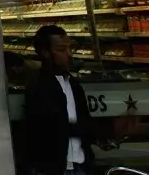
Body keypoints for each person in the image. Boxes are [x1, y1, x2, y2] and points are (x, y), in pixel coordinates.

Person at [25, 25, 102, 175]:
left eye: (69, 48)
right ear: (45, 53)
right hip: (53, 168)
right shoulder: (39, 85)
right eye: (61, 49)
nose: (69, 54)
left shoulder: (73, 84)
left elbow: (82, 119)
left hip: (79, 164)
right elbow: (51, 126)